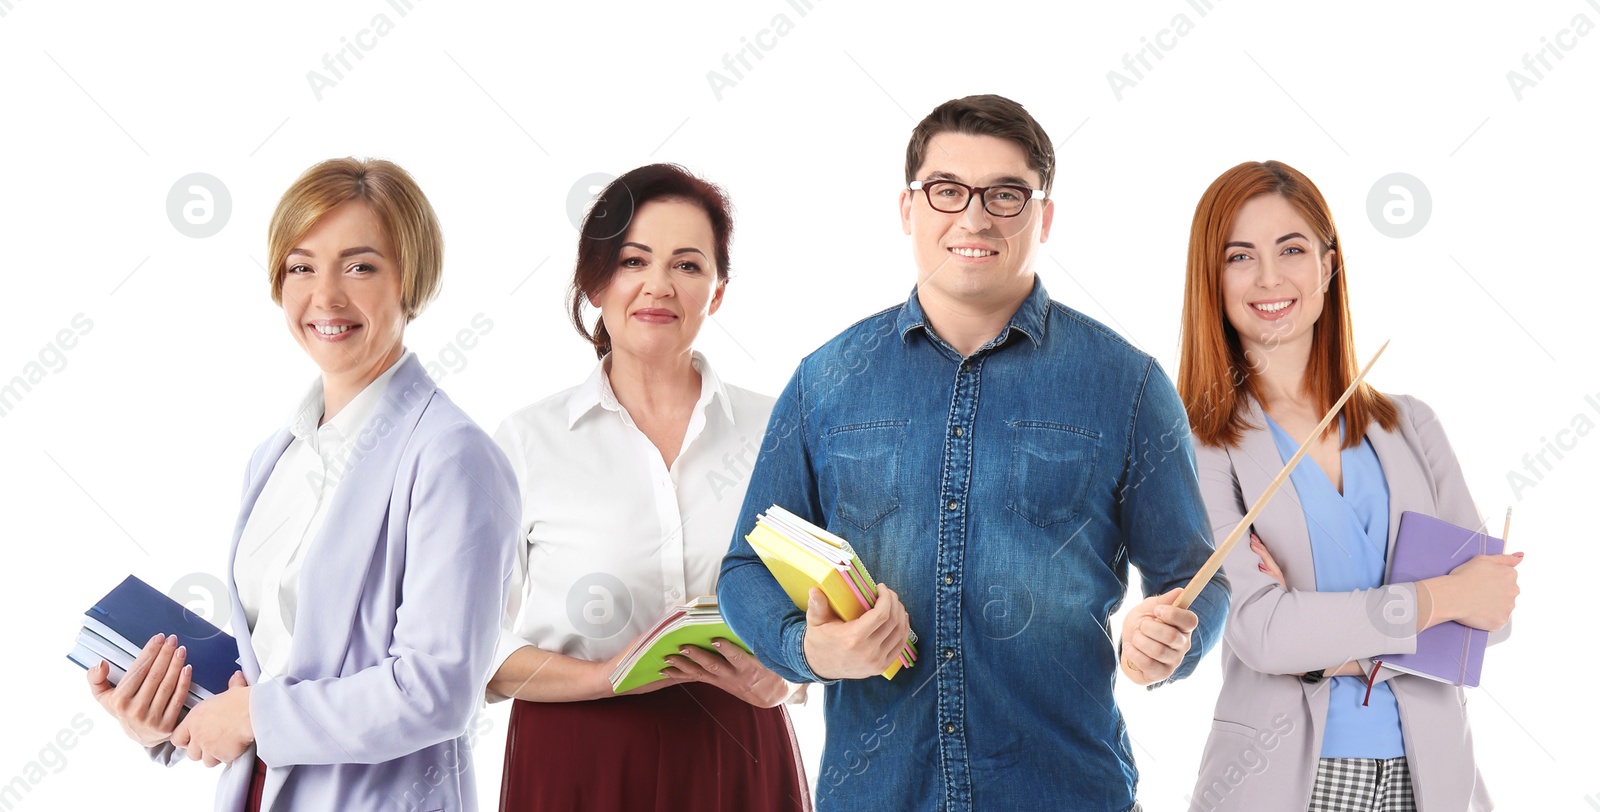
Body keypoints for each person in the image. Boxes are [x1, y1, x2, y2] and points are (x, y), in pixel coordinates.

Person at [716, 94, 1230, 812]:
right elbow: (745, 568)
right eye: (947, 190)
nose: (975, 216)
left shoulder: (1128, 384)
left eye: (1006, 194)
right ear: (908, 209)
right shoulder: (825, 380)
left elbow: (1197, 578)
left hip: (1066, 793)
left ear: (1043, 216)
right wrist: (810, 652)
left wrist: (1177, 640)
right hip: (875, 794)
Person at [84, 157, 520, 812]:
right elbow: (272, 666)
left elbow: (436, 692)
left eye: (361, 266)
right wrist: (168, 717)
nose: (326, 296)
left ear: (411, 279)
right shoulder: (276, 455)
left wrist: (258, 713)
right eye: (301, 267)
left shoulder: (453, 458)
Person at [1177, 160, 1520, 812]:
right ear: (1211, 280)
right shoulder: (1201, 448)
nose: (1271, 277)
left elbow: (1490, 620)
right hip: (1282, 786)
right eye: (1240, 256)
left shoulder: (1413, 426)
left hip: (1435, 782)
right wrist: (1444, 597)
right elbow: (1263, 634)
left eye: (1293, 249)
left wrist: (1323, 648)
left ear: (1329, 267)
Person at [487, 163, 810, 812]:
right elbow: (473, 647)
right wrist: (604, 678)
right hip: (576, 757)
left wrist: (788, 675)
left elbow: (829, 605)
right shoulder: (527, 441)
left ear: (716, 291)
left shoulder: (779, 429)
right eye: (634, 261)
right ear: (597, 282)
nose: (658, 285)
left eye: (688, 265)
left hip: (739, 750)